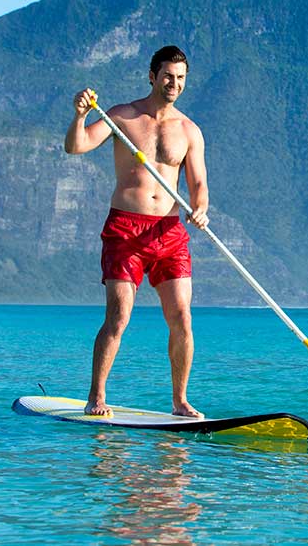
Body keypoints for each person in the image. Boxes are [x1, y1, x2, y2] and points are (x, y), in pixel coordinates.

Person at [64, 45, 209, 418]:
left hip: (169, 231)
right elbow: (75, 146)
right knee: (119, 315)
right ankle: (96, 397)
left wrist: (200, 209)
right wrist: (80, 116)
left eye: (180, 78)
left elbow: (199, 186)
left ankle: (179, 401)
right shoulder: (121, 117)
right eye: (167, 76)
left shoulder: (189, 131)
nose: (173, 83)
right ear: (151, 75)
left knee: (182, 318)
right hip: (126, 229)